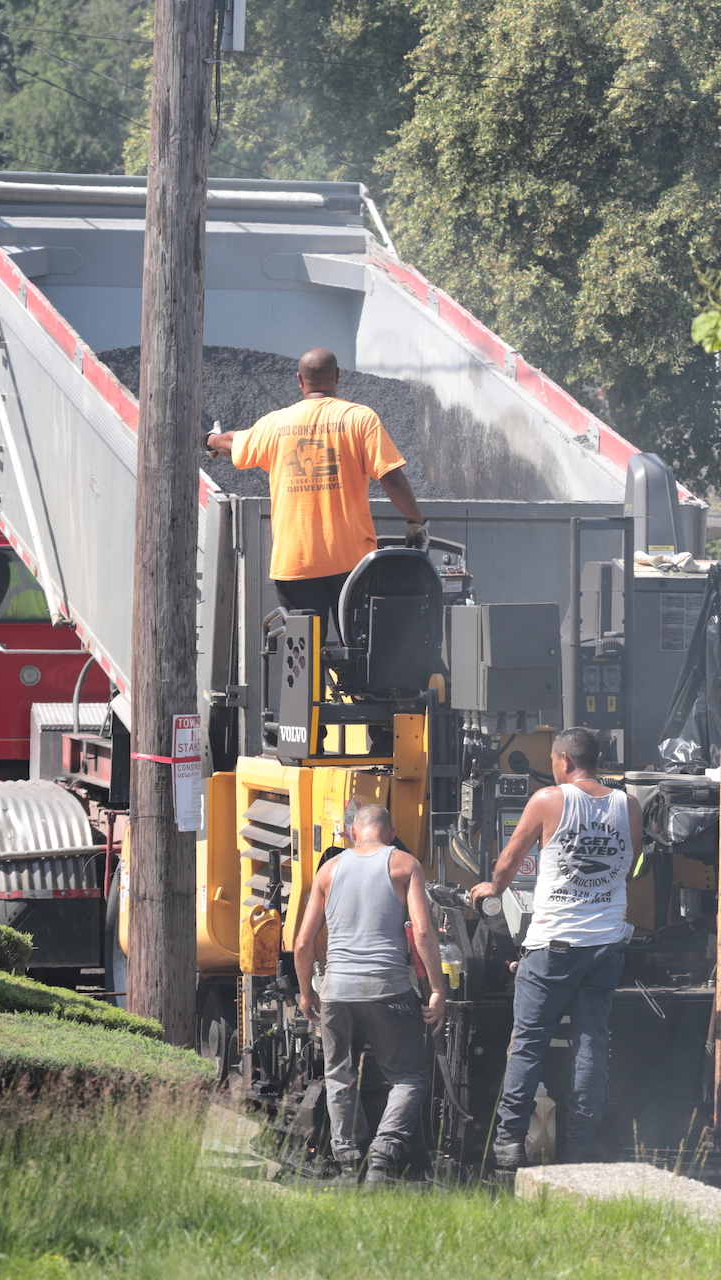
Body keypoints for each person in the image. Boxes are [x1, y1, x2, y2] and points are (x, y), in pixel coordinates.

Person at [470, 726, 641, 1170]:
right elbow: (628, 867)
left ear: (564, 760)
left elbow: (511, 856)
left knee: (528, 1044)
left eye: (552, 761)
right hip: (605, 944)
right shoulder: (628, 805)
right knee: (591, 1047)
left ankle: (509, 1141)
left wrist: (493, 888)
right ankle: (581, 1146)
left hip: (553, 946)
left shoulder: (549, 799)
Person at [204, 348, 429, 627]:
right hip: (352, 562)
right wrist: (415, 523)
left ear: (300, 380)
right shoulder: (360, 418)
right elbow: (391, 477)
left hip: (296, 561)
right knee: (359, 643)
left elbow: (231, 442)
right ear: (337, 376)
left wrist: (210, 440)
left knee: (303, 648)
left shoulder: (274, 423)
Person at [292, 804, 444, 1183]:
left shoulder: (328, 870)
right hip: (387, 989)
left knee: (339, 1075)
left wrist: (306, 994)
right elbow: (423, 932)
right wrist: (437, 989)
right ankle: (383, 1153)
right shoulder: (404, 865)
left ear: (351, 834)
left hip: (336, 991)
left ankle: (349, 1162)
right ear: (391, 833)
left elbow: (303, 943)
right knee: (408, 1077)